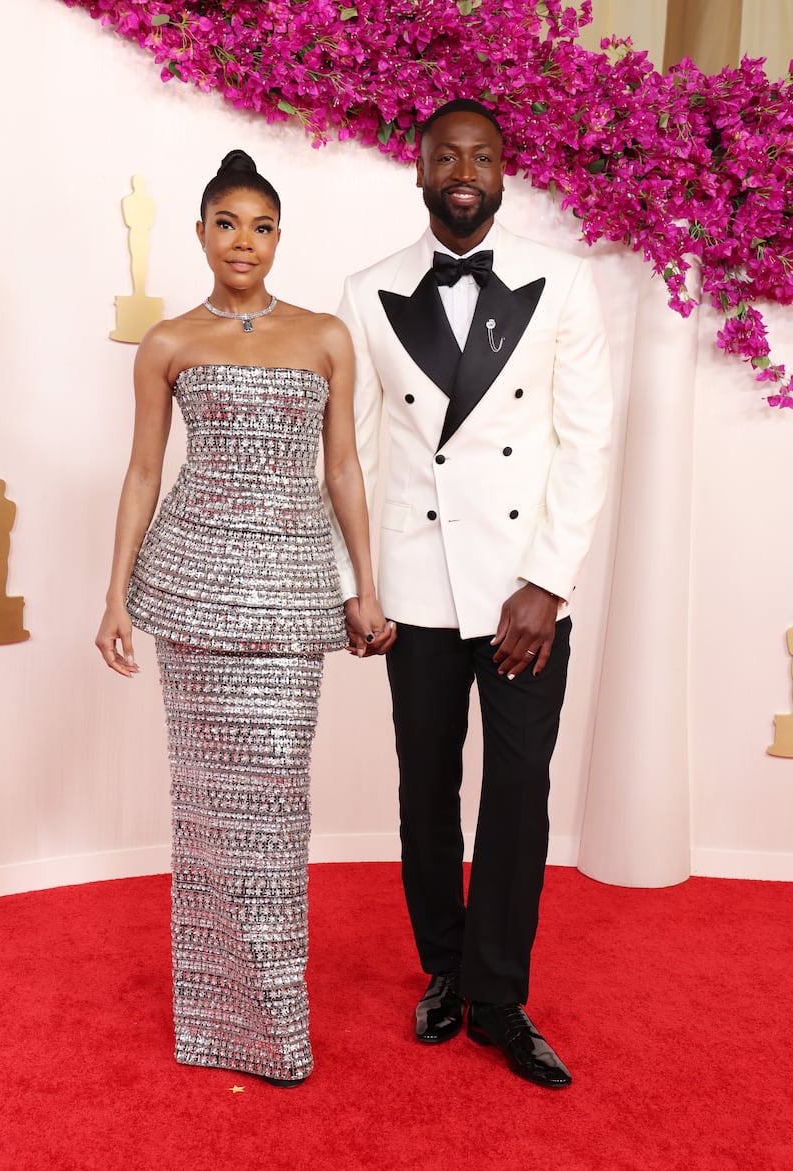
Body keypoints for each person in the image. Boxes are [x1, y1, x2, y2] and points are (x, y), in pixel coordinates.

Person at [95, 150, 394, 1087]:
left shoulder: (326, 338)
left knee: (273, 807)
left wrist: (364, 586)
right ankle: (214, 1024)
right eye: (227, 223)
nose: (244, 242)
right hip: (192, 592)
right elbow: (144, 471)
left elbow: (342, 470)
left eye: (261, 226)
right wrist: (116, 595)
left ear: (278, 238)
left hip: (291, 595)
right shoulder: (170, 343)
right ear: (199, 233)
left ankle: (273, 1021)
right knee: (204, 811)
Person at [329, 99, 612, 1088]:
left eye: (480, 155)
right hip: (412, 585)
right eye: (443, 155)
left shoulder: (565, 283)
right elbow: (355, 453)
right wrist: (355, 587)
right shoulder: (366, 292)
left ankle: (498, 997)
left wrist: (545, 581)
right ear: (417, 172)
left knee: (519, 793)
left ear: (502, 172)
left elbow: (585, 442)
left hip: (523, 592)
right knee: (424, 787)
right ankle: (444, 970)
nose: (462, 169)